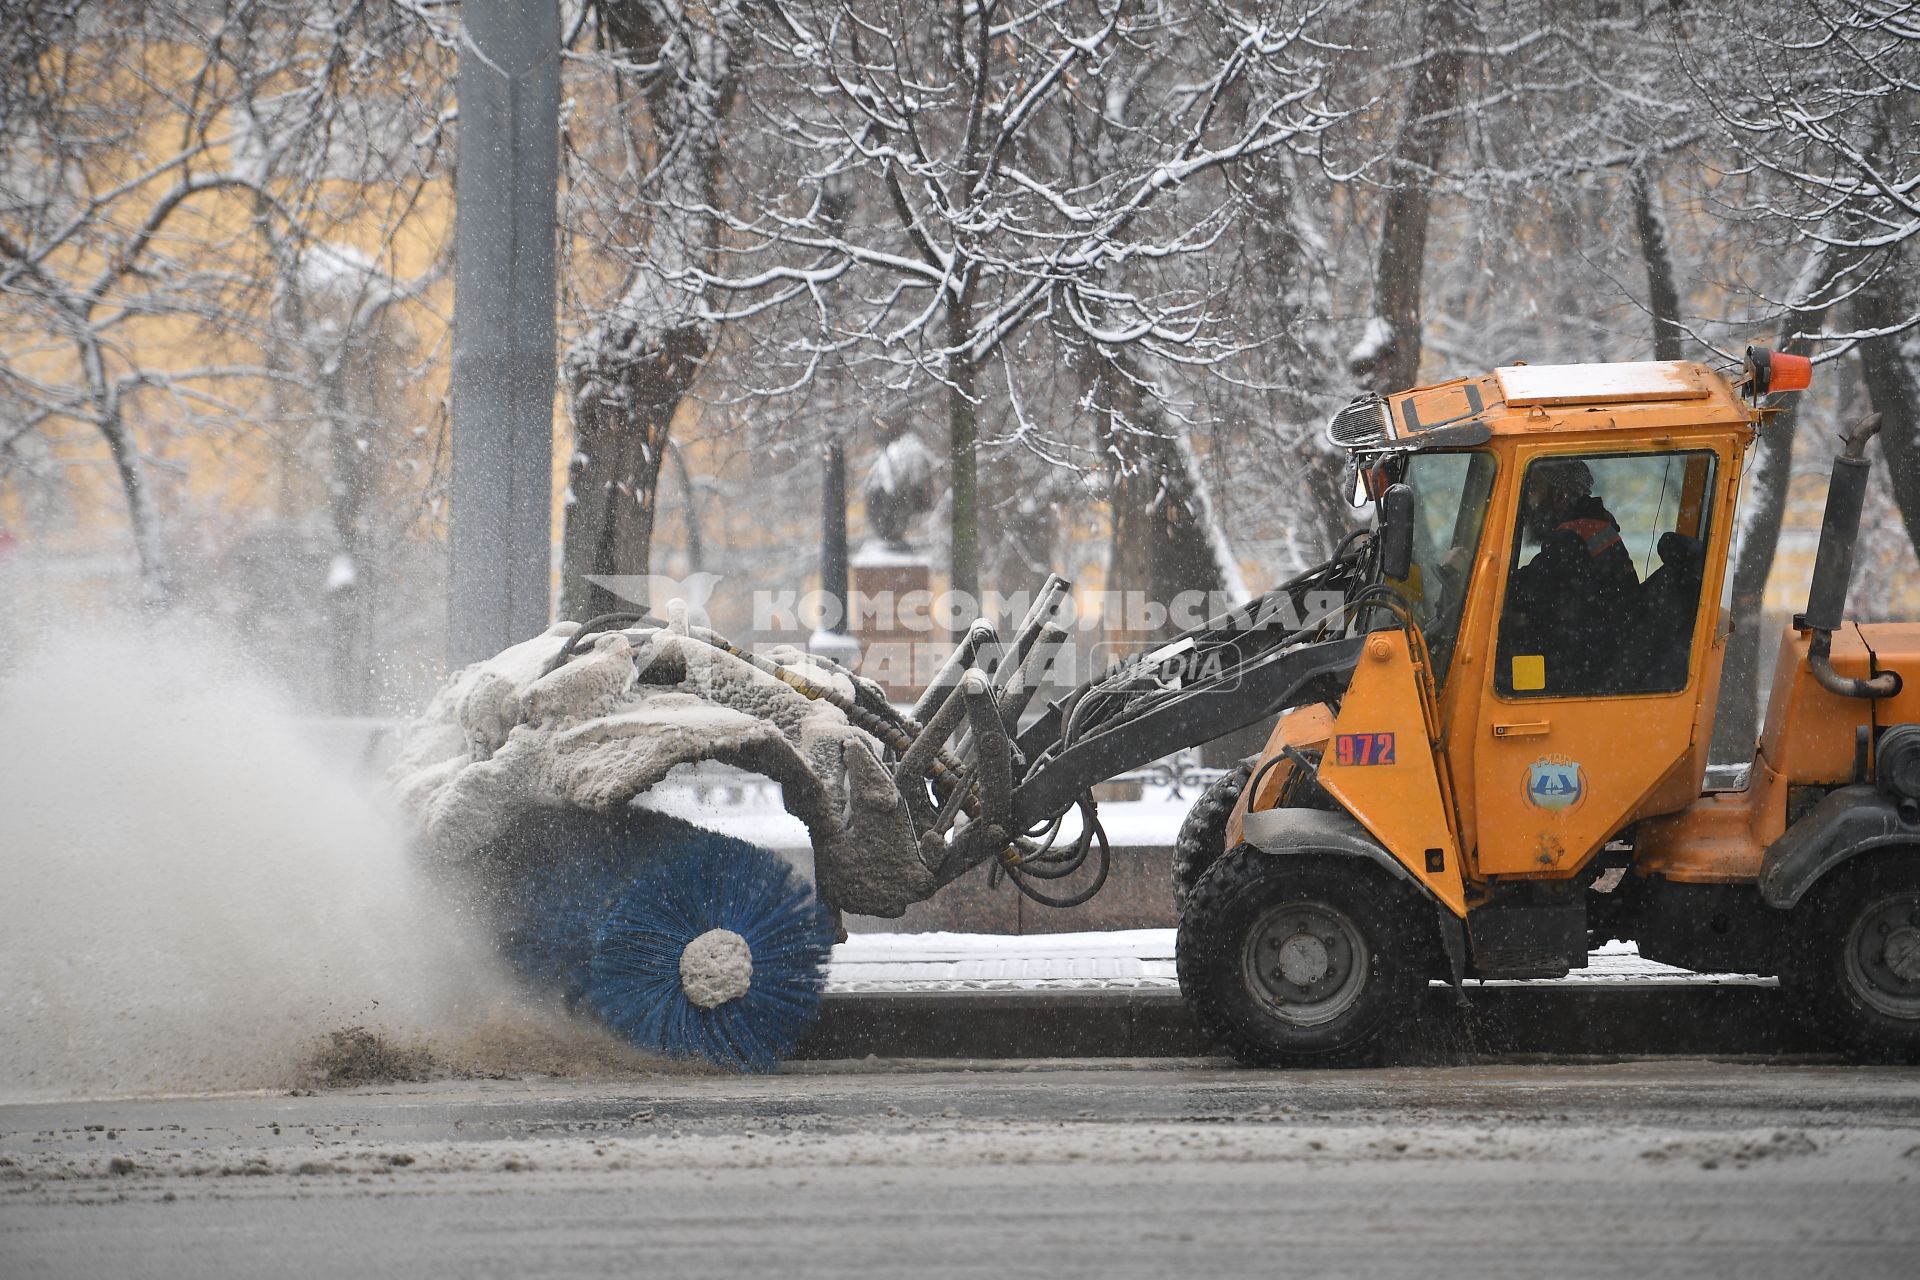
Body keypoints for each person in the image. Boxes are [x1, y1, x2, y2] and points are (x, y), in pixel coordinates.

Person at [1501, 458, 1640, 693]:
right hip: (1605, 657)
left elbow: (1528, 592)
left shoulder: (1570, 539)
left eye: (1533, 490)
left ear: (1560, 495)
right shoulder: (1593, 527)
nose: (1527, 501)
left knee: (1502, 679)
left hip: (1583, 670)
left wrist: (1479, 580)